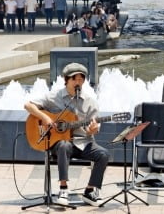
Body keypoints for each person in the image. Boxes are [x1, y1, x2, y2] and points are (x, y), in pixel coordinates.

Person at [24, 63, 109, 206]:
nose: (78, 82)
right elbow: (28, 105)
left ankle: (89, 191)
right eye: (74, 79)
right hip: (61, 143)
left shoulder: (90, 102)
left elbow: (94, 127)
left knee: (104, 154)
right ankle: (63, 189)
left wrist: (93, 129)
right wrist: (45, 117)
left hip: (84, 142)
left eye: (81, 79)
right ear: (66, 80)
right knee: (64, 145)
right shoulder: (54, 96)